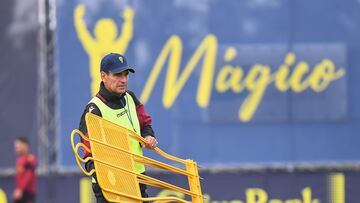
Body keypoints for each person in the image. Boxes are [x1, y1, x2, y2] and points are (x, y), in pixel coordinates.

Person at [78, 53, 158, 203]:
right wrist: (107, 177)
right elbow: (88, 152)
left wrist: (148, 136)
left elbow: (145, 123)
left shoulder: (130, 98)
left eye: (126, 75)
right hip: (111, 185)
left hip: (137, 177)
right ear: (103, 76)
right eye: (117, 75)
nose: (123, 80)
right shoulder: (94, 109)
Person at [13, 137, 37, 203]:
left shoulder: (30, 159)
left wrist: (20, 189)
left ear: (25, 145)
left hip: (27, 193)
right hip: (19, 193)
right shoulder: (19, 160)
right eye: (15, 146)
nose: (16, 147)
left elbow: (28, 176)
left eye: (18, 145)